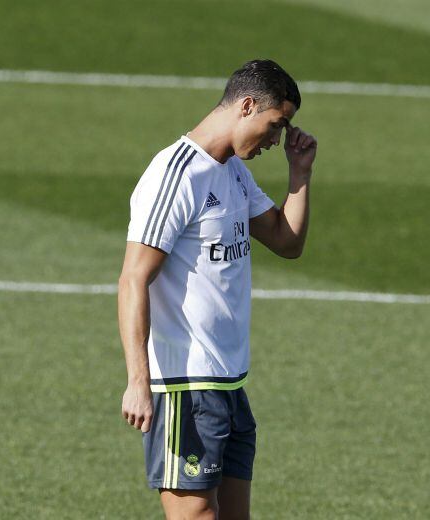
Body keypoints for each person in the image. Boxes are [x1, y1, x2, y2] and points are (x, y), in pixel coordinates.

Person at [117, 59, 316, 519]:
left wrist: (299, 174)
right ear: (248, 106)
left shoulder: (232, 173)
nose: (276, 139)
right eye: (275, 125)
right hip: (184, 386)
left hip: (230, 385)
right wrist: (137, 381)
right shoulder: (177, 173)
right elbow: (133, 278)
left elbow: (286, 242)